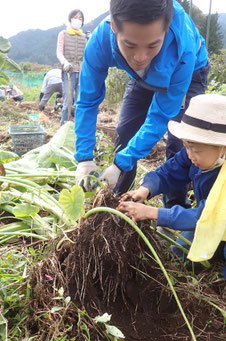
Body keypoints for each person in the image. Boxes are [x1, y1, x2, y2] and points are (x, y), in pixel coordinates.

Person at [74, 0, 209, 207]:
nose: (140, 57)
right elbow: (88, 100)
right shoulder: (100, 41)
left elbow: (162, 115)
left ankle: (174, 210)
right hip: (140, 77)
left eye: (152, 45)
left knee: (179, 142)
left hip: (186, 71)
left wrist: (121, 163)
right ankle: (118, 199)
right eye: (130, 45)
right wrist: (84, 158)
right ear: (113, 27)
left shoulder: (183, 49)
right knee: (125, 132)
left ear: (166, 29)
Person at [117, 94, 226, 266]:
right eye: (186, 147)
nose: (190, 155)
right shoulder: (194, 154)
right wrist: (146, 189)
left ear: (223, 149)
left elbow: (206, 216)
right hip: (210, 220)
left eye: (196, 151)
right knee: (180, 255)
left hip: (215, 219)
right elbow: (169, 171)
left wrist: (152, 213)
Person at [57, 8, 87, 125]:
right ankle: (63, 126)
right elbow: (59, 52)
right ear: (70, 19)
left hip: (81, 72)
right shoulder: (63, 34)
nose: (77, 20)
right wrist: (65, 62)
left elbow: (86, 55)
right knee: (68, 101)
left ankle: (78, 127)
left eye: (80, 18)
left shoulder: (84, 37)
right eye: (75, 17)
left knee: (80, 101)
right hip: (68, 71)